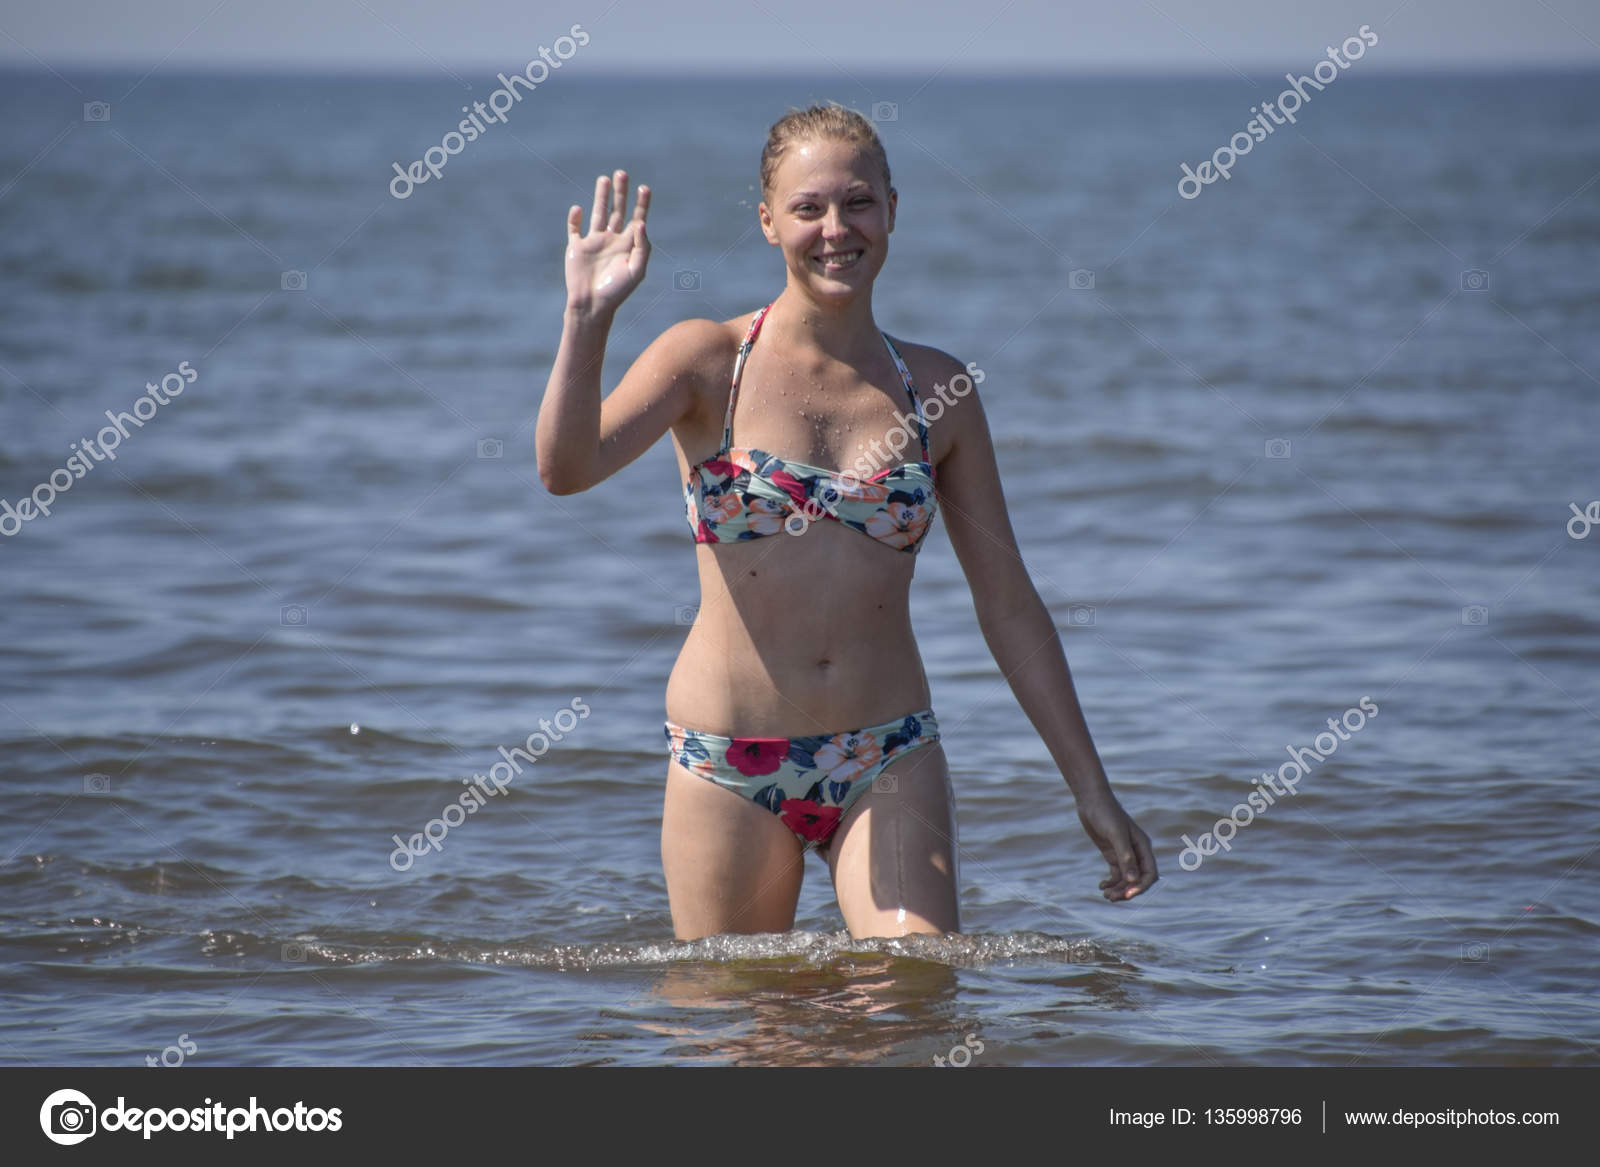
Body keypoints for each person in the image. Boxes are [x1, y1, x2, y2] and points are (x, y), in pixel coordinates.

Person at [537, 104, 1156, 941]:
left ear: (893, 210)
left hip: (888, 755)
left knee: (915, 991)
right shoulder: (705, 362)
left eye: (859, 202)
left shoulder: (938, 391)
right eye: (808, 208)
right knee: (747, 1035)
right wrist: (588, 317)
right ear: (767, 222)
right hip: (730, 763)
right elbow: (566, 470)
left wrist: (1091, 787)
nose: (837, 228)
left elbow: (1008, 603)